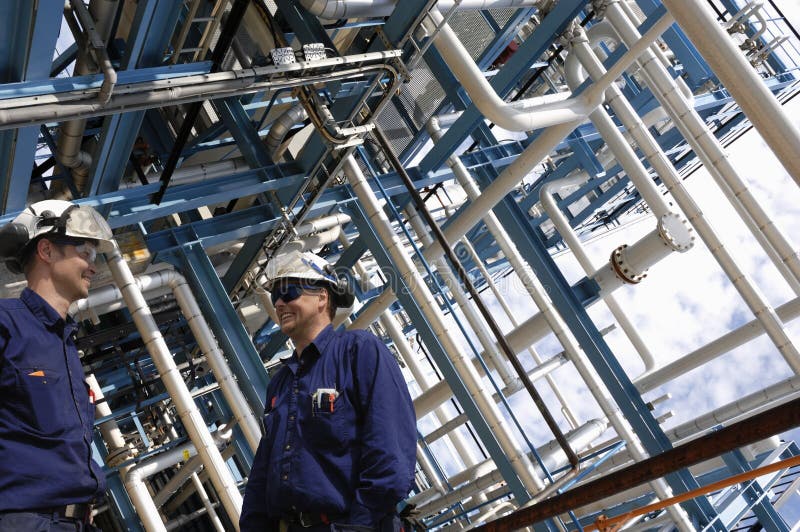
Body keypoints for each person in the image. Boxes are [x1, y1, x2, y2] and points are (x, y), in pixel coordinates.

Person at [241, 251, 417, 532]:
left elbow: (389, 453)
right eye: (275, 296)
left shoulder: (358, 351)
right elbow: (263, 471)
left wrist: (358, 526)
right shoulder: (281, 383)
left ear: (322, 297)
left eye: (289, 292)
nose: (279, 303)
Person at [0, 199, 115, 531]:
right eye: (86, 252)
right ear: (47, 251)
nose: (93, 266)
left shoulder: (65, 345)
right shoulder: (7, 324)